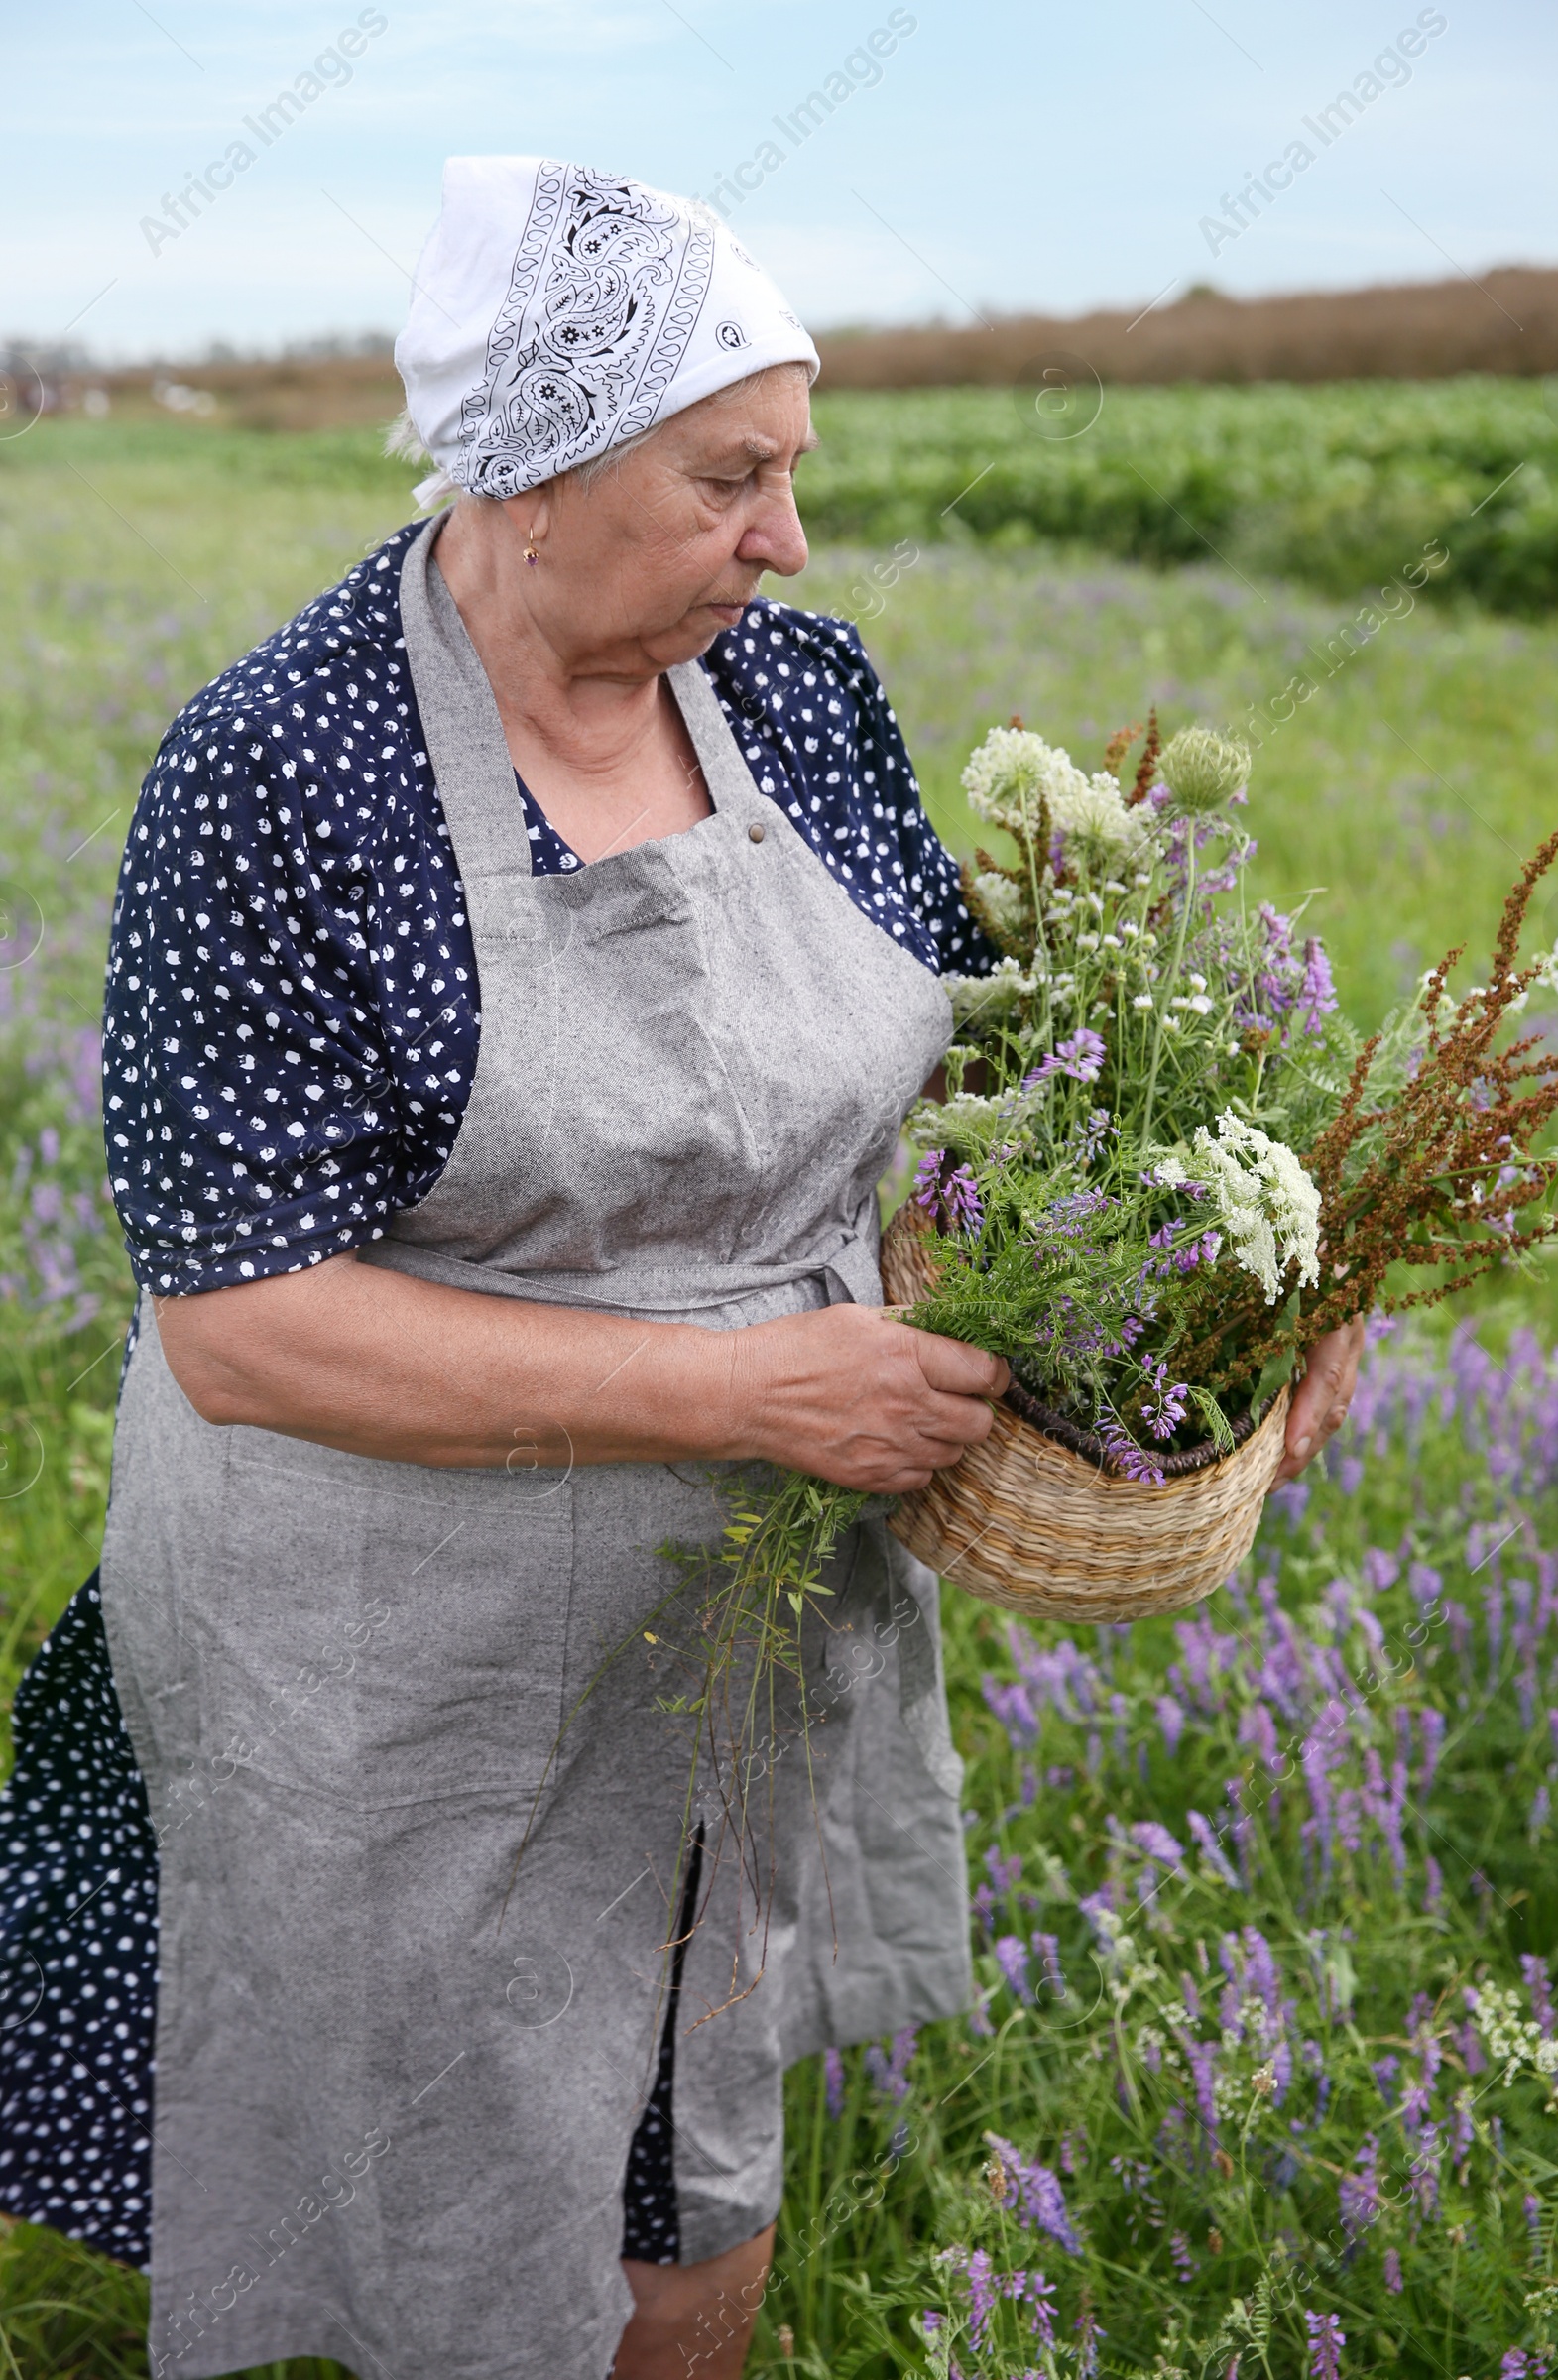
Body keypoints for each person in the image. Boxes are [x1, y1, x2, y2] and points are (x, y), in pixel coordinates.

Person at [0, 157, 1363, 2380]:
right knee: (437, 2203)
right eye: (729, 476)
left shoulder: (801, 699)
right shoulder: (281, 773)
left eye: (791, 474)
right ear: (529, 474)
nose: (786, 538)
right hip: (390, 1664)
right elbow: (241, 1326)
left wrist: (1212, 1323)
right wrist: (747, 1396)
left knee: (688, 2178)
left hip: (725, 1631)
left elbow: (967, 1098)